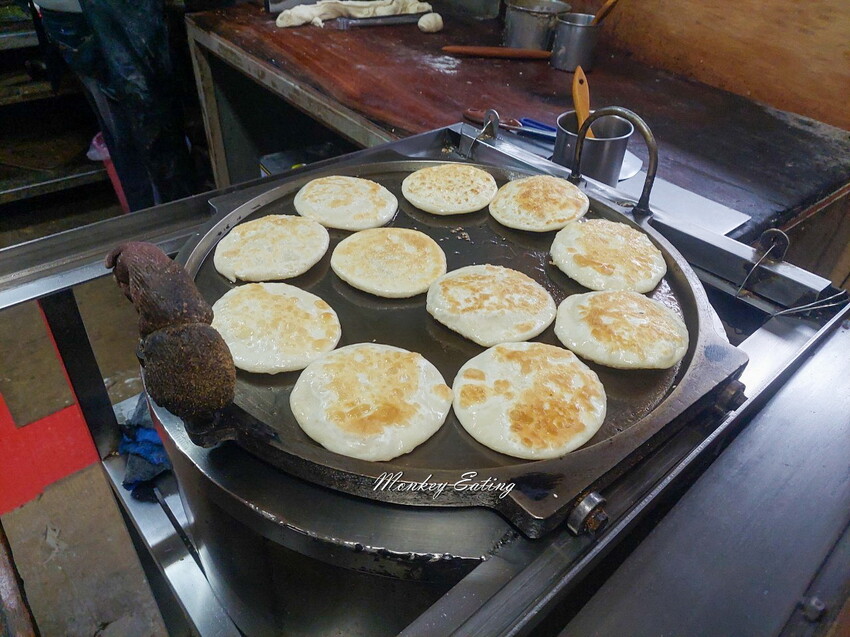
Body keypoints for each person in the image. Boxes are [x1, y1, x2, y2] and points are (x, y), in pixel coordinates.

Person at [35, 0, 198, 210]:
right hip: (95, 20)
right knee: (144, 143)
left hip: (89, 17)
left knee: (143, 139)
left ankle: (165, 220)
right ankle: (167, 225)